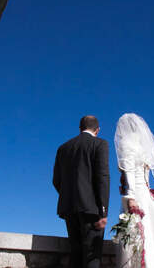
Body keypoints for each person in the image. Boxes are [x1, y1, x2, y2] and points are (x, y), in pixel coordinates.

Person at [115, 113, 154, 268]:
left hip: (136, 194)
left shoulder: (127, 144)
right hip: (147, 195)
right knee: (153, 234)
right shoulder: (144, 148)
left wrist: (130, 197)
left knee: (137, 235)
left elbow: (129, 171)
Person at [53, 115, 110, 268]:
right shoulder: (100, 144)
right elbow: (102, 178)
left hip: (69, 207)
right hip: (92, 209)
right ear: (97, 130)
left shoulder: (63, 148)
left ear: (80, 128)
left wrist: (70, 196)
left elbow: (56, 181)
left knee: (76, 253)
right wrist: (103, 211)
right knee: (93, 255)